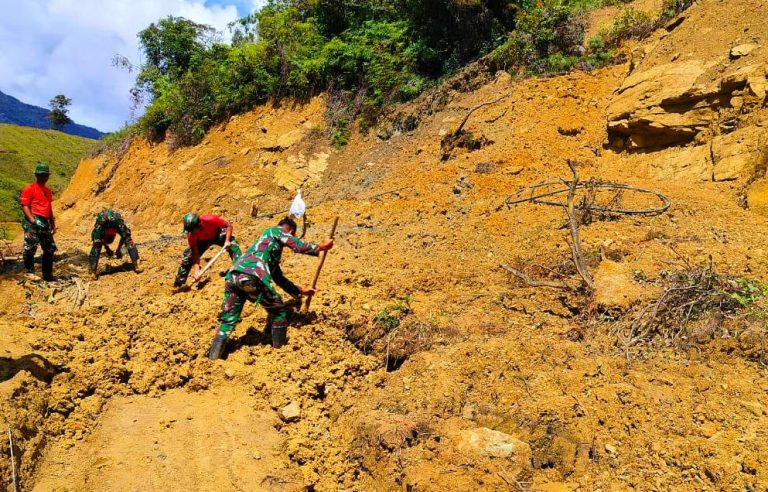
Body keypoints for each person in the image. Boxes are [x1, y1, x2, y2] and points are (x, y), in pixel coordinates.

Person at [207, 217, 334, 360]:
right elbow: (296, 245)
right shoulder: (275, 231)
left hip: (233, 277)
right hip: (252, 276)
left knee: (228, 320)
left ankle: (212, 360)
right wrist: (320, 247)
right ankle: (279, 353)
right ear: (291, 231)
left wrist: (299, 291)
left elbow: (278, 278)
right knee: (279, 310)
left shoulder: (267, 250)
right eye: (291, 235)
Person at [173, 213, 242, 288]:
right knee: (188, 258)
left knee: (233, 245)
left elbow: (228, 226)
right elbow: (195, 254)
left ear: (198, 225)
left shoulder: (210, 219)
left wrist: (227, 241)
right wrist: (197, 272)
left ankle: (240, 269)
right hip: (202, 241)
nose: (191, 232)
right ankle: (178, 285)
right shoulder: (191, 235)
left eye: (192, 230)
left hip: (217, 235)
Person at [19, 163, 56, 281]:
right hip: (33, 219)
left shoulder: (48, 191)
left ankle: (47, 274)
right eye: (41, 175)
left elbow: (49, 207)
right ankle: (29, 272)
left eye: (46, 175)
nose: (44, 177)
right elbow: (24, 206)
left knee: (50, 248)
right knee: (30, 247)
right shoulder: (29, 188)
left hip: (44, 221)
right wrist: (32, 221)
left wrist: (53, 223)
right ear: (36, 175)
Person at [88, 209, 140, 278]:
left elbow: (97, 241)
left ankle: (93, 272)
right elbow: (125, 236)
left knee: (96, 246)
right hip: (110, 219)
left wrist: (116, 249)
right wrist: (111, 249)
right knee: (128, 240)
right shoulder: (114, 227)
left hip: (108, 219)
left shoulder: (99, 230)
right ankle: (136, 266)